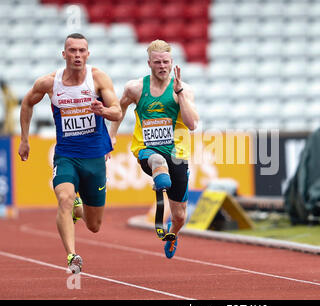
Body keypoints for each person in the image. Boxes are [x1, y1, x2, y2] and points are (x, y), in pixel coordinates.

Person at [18, 33, 122, 273]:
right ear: (64, 54)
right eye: (72, 51)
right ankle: (72, 256)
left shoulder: (98, 78)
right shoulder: (50, 83)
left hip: (95, 157)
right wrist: (24, 139)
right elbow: (26, 103)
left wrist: (103, 111)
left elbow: (117, 112)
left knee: (94, 225)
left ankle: (79, 208)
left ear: (88, 54)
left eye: (81, 51)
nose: (77, 55)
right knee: (63, 198)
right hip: (66, 155)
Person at [109, 39, 199, 259]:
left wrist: (180, 95)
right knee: (157, 162)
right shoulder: (135, 88)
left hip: (177, 154)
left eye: (166, 62)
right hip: (147, 150)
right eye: (157, 62)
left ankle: (172, 234)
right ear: (149, 63)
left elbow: (192, 124)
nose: (162, 66)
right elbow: (119, 109)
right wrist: (110, 136)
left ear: (172, 62)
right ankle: (160, 178)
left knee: (179, 216)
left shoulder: (184, 89)